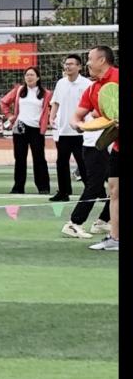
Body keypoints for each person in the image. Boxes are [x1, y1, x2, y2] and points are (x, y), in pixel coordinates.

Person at [71, 45, 119, 251]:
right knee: (114, 190)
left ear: (102, 60)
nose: (87, 63)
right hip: (117, 146)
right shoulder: (92, 88)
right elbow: (77, 116)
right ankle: (114, 239)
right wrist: (81, 125)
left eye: (90, 58)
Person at [0, 67, 53, 195]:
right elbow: (3, 102)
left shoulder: (46, 93)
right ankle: (18, 187)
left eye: (32, 75)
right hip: (20, 128)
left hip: (36, 129)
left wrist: (50, 119)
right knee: (19, 158)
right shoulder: (19, 91)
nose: (29, 77)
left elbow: (53, 107)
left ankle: (43, 187)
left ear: (38, 77)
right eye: (27, 75)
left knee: (39, 158)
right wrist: (9, 116)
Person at [60, 109, 111, 239]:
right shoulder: (98, 91)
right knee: (94, 186)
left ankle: (103, 221)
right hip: (95, 146)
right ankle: (74, 223)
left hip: (107, 146)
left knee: (116, 184)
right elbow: (95, 113)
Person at [48, 55, 92, 202]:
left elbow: (91, 105)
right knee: (61, 162)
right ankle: (63, 192)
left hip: (81, 131)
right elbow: (56, 102)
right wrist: (51, 117)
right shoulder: (61, 83)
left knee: (83, 162)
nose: (68, 67)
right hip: (64, 131)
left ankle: (91, 191)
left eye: (71, 64)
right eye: (66, 64)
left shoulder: (86, 84)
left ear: (79, 67)